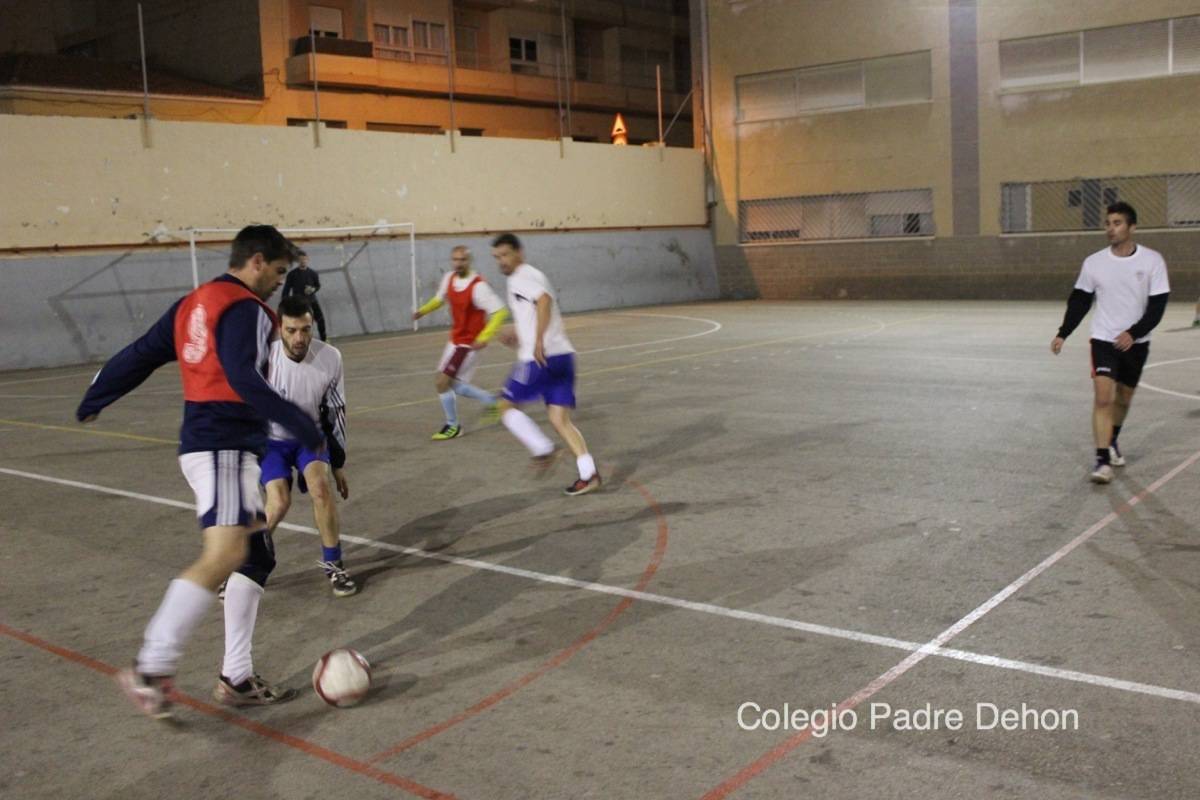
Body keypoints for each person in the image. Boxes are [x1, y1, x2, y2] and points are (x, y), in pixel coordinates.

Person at [77, 225, 324, 718]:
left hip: (210, 442)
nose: (279, 283)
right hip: (223, 442)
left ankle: (236, 677)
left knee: (254, 556)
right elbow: (240, 374)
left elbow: (141, 353)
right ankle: (152, 665)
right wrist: (298, 419)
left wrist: (97, 394)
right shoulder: (246, 308)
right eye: (277, 271)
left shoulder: (195, 302)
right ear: (256, 261)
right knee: (227, 552)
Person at [1051, 202, 1169, 484]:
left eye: (1117, 223)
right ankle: (1102, 460)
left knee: (1123, 399)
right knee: (1103, 397)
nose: (1110, 229)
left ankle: (1112, 439)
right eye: (1108, 223)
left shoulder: (1152, 261)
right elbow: (1079, 300)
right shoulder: (1094, 263)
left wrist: (1135, 332)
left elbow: (1157, 306)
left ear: (1132, 227)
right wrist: (1063, 332)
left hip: (1136, 343)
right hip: (1103, 339)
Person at [490, 233, 601, 496]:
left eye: (505, 255)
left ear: (519, 252)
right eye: (497, 258)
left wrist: (537, 341)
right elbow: (536, 309)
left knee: (504, 406)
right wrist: (520, 333)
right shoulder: (528, 276)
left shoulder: (523, 275)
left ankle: (543, 450)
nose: (501, 261)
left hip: (539, 359)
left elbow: (544, 301)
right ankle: (589, 474)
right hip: (563, 356)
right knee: (559, 419)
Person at [260, 295, 357, 597]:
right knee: (278, 503)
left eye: (305, 329)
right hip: (271, 441)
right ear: (279, 328)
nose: (299, 337)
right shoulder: (263, 359)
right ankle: (246, 566)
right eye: (291, 330)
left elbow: (336, 412)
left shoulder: (331, 358)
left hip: (310, 438)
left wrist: (338, 463)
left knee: (321, 489)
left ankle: (334, 565)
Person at [412, 245, 508, 440]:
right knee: (452, 384)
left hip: (469, 343)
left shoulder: (478, 286)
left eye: (462, 260)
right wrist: (422, 311)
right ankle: (494, 402)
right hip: (455, 339)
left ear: (469, 261)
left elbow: (500, 311)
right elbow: (440, 299)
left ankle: (453, 426)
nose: (458, 263)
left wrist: (484, 337)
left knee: (442, 382)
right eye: (455, 259)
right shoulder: (449, 278)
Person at [282, 249, 327, 340]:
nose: (303, 261)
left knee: (320, 319)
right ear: (298, 261)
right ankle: (300, 340)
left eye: (304, 259)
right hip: (299, 303)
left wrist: (313, 289)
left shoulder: (313, 273)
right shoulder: (292, 274)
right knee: (300, 323)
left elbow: (317, 286)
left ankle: (324, 339)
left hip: (312, 300)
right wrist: (285, 304)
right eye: (300, 259)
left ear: (307, 259)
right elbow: (286, 290)